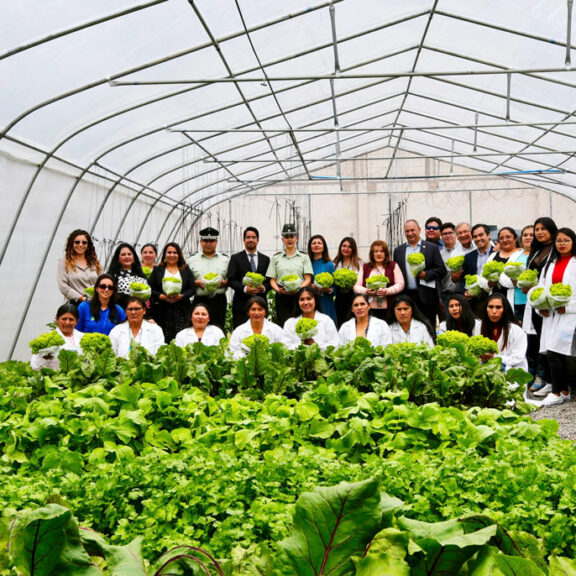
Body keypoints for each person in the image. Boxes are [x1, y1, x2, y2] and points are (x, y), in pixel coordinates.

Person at [534, 227, 576, 405]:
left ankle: (561, 391)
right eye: (559, 241)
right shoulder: (550, 264)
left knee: (557, 351)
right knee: (553, 351)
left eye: (566, 240)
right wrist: (540, 307)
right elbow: (541, 288)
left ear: (573, 242)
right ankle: (560, 391)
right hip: (552, 315)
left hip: (570, 314)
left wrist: (567, 308)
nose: (562, 244)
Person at [524, 217, 559, 392]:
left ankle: (552, 381)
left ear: (552, 230)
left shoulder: (557, 250)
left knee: (551, 342)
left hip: (551, 304)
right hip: (535, 302)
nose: (539, 232)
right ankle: (544, 378)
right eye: (537, 229)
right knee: (537, 339)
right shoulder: (535, 251)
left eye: (543, 229)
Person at [393, 219, 446, 328]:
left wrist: (426, 275)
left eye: (413, 230)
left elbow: (441, 270)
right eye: (407, 231)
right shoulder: (398, 250)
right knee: (409, 327)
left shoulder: (432, 248)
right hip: (406, 296)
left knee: (428, 327)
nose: (410, 233)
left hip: (427, 297)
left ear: (419, 230)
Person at [267, 224, 313, 327]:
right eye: (286, 237)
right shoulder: (276, 258)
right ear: (282, 239)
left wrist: (299, 289)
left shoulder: (304, 257)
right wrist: (278, 290)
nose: (289, 240)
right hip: (282, 297)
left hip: (300, 297)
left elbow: (308, 278)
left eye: (292, 236)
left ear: (297, 238)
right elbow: (272, 280)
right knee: (284, 326)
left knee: (301, 325)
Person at [149, 242, 195, 343]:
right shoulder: (158, 270)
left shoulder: (185, 269)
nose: (172, 255)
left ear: (179, 255)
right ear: (165, 254)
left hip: (182, 309)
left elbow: (192, 289)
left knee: (181, 337)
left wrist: (182, 296)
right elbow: (150, 288)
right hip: (162, 309)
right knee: (164, 336)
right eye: (169, 252)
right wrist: (161, 296)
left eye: (175, 252)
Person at [187, 227, 230, 331]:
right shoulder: (191, 260)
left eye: (212, 241)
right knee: (199, 329)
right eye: (205, 241)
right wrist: (195, 283)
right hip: (200, 300)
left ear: (216, 242)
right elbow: (186, 280)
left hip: (219, 300)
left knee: (218, 329)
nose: (208, 243)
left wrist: (225, 282)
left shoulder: (225, 260)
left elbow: (232, 278)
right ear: (201, 242)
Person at [227, 227, 270, 329]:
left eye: (253, 237)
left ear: (257, 240)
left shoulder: (265, 259)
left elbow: (270, 281)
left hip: (261, 305)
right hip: (241, 305)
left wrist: (263, 288)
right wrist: (245, 289)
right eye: (248, 237)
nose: (251, 240)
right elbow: (231, 280)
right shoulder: (235, 258)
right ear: (244, 240)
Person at [355, 240, 405, 320]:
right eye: (376, 251)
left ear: (386, 253)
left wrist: (387, 291)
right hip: (369, 308)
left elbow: (401, 284)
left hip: (389, 307)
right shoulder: (365, 267)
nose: (379, 254)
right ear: (372, 254)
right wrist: (366, 291)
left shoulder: (393, 265)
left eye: (382, 251)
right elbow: (356, 286)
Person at [480, 293, 528, 371]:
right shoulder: (480, 328)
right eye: (490, 307)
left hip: (512, 372)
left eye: (498, 307)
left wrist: (494, 357)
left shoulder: (516, 330)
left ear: (505, 309)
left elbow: (518, 358)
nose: (494, 311)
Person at [30, 304, 84, 370]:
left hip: (79, 379)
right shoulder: (47, 340)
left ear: (77, 321)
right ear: (57, 319)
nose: (67, 322)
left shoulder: (82, 337)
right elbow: (35, 366)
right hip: (54, 378)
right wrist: (43, 356)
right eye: (64, 319)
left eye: (71, 319)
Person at [57, 229, 102, 304]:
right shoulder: (64, 262)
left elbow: (103, 281)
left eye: (84, 243)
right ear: (71, 243)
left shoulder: (95, 263)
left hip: (94, 304)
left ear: (88, 245)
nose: (80, 245)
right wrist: (82, 298)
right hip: (73, 304)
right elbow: (63, 286)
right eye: (77, 242)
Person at [462, 224, 495, 316]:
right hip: (475, 300)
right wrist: (466, 293)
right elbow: (465, 279)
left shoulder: (497, 253)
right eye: (475, 236)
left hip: (494, 296)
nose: (478, 239)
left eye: (481, 235)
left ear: (488, 235)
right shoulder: (469, 257)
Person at [108, 242, 149, 309]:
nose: (127, 257)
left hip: (140, 312)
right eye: (123, 255)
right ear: (118, 258)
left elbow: (148, 299)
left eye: (129, 254)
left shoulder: (140, 274)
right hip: (121, 312)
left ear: (134, 257)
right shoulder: (113, 276)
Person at [333, 237, 363, 328]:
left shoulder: (359, 263)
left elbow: (360, 281)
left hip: (352, 296)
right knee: (340, 322)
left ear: (353, 249)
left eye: (349, 247)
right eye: (344, 246)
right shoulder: (335, 262)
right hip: (339, 297)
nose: (346, 249)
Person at [308, 234, 337, 323]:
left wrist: (327, 289)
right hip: (310, 301)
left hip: (326, 302)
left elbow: (335, 287)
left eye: (319, 243)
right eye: (314, 243)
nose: (316, 245)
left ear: (324, 247)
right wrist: (310, 285)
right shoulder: (307, 264)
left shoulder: (329, 264)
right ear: (310, 247)